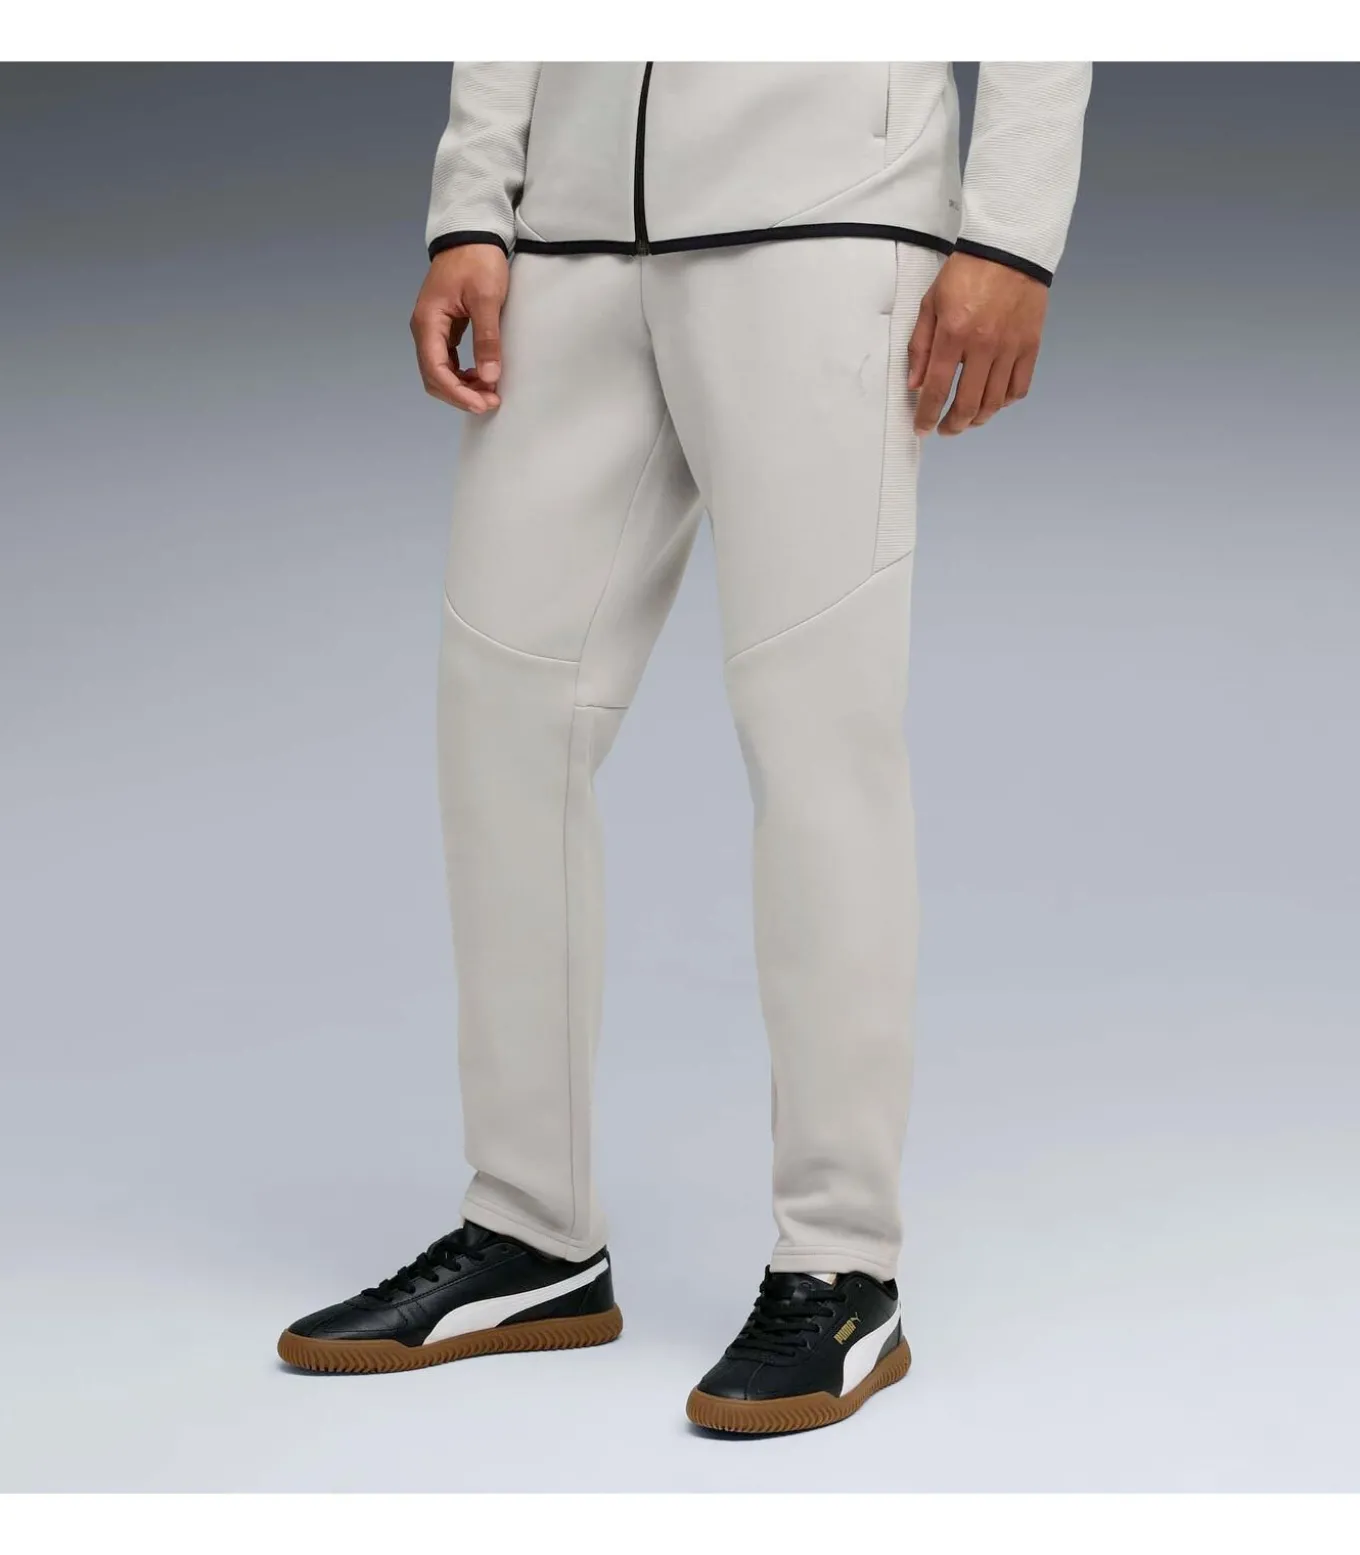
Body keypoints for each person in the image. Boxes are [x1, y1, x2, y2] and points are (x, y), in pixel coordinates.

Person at [278, 61, 1092, 1435]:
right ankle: (531, 1227)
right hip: (573, 238)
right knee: (501, 717)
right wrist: (473, 205)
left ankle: (842, 1261)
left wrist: (1010, 233)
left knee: (818, 736)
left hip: (825, 222)